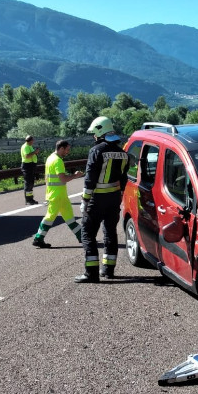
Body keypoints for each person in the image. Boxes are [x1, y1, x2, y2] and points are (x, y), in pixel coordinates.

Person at [75, 117, 130, 283]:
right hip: (113, 199)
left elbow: (90, 178)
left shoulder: (96, 151)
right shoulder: (123, 153)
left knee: (87, 234)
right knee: (110, 233)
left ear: (99, 132)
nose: (93, 137)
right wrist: (119, 195)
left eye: (94, 133)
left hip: (96, 200)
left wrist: (84, 201)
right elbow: (124, 178)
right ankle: (108, 269)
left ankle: (91, 273)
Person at [32, 140, 83, 248]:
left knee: (69, 218)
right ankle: (38, 238)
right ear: (61, 148)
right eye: (67, 150)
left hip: (58, 194)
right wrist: (75, 175)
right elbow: (63, 179)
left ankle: (82, 237)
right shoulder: (58, 161)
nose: (68, 152)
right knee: (50, 217)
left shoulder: (50, 158)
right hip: (57, 195)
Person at [21, 135, 40, 205]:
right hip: (27, 166)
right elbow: (27, 156)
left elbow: (31, 155)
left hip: (31, 166)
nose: (33, 142)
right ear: (30, 141)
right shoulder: (25, 146)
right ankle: (28, 200)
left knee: (31, 183)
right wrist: (35, 152)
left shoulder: (29, 146)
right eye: (32, 140)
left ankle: (30, 198)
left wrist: (35, 152)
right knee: (28, 183)